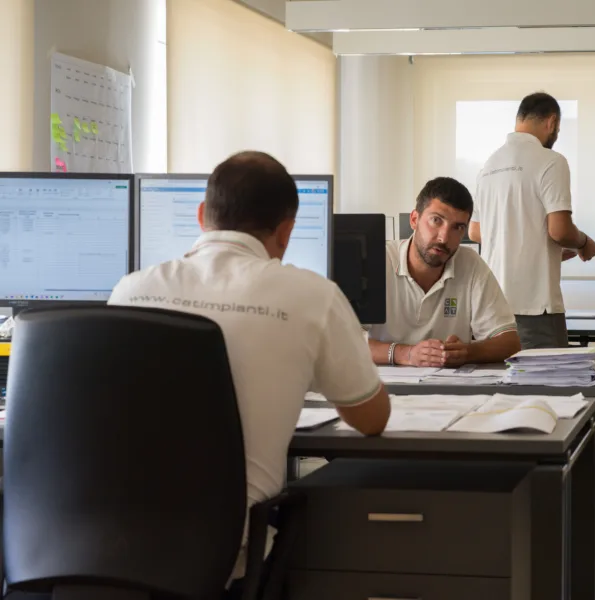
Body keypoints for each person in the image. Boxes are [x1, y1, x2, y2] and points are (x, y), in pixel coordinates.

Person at [108, 151, 391, 581]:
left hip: (103, 544)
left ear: (203, 215)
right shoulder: (312, 295)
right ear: (287, 231)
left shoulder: (130, 291)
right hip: (221, 556)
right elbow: (372, 418)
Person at [469, 92, 595, 350]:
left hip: (493, 307)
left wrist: (539, 249)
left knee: (504, 385)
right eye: (558, 129)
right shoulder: (551, 161)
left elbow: (476, 232)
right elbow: (561, 231)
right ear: (551, 122)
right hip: (535, 307)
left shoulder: (489, 166)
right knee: (548, 387)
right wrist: (584, 243)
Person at [368, 177, 521, 367]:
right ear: (414, 219)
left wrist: (468, 352)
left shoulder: (471, 264)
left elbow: (509, 342)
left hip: (449, 388)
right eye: (436, 220)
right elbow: (343, 341)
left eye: (457, 227)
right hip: (385, 387)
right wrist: (406, 354)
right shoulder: (376, 260)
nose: (444, 237)